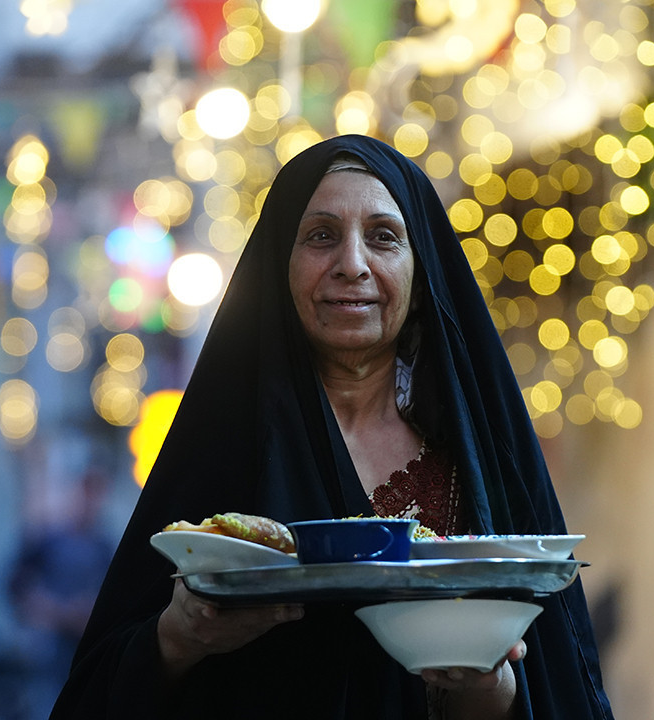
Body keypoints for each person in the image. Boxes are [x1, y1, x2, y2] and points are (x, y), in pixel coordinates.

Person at [49, 135, 614, 719]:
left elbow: (549, 692)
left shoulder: (474, 473)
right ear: (279, 271)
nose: (351, 264)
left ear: (421, 283)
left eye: (383, 237)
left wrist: (483, 682)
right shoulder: (221, 463)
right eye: (321, 236)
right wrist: (177, 639)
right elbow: (95, 697)